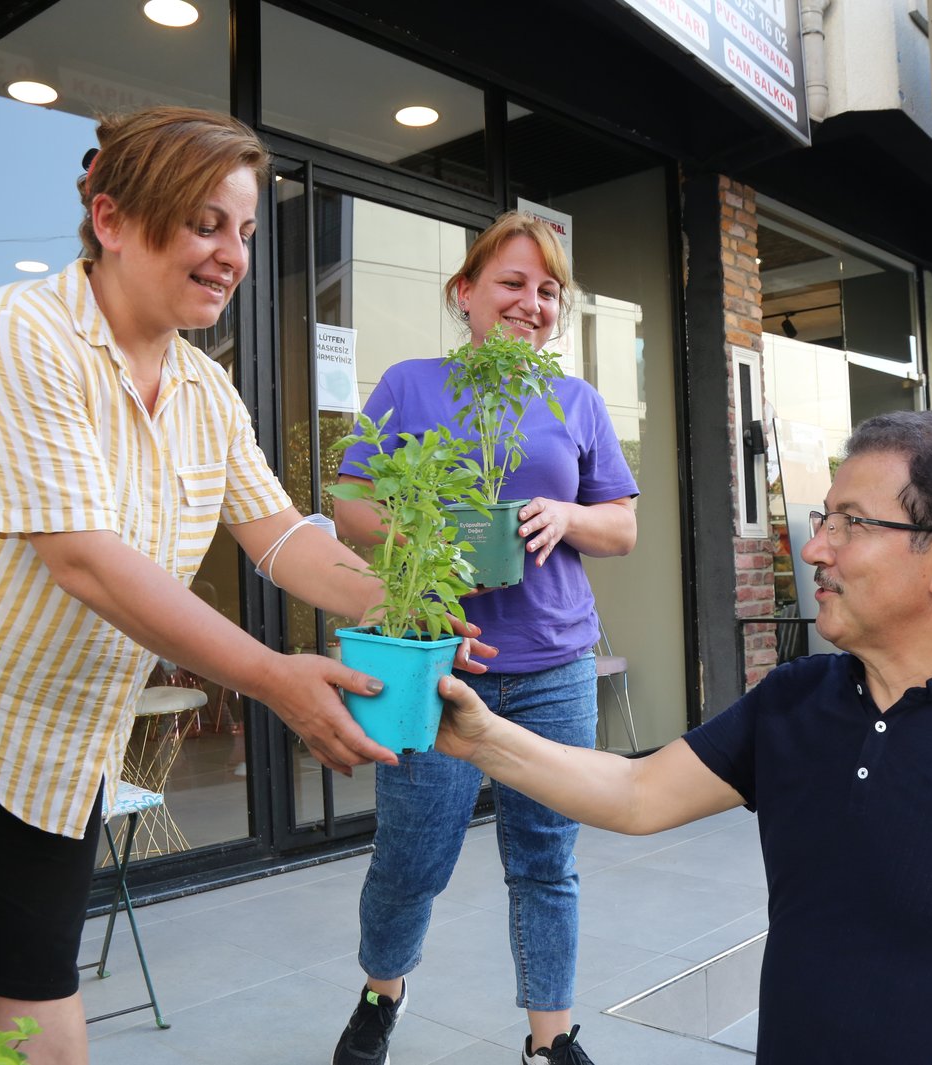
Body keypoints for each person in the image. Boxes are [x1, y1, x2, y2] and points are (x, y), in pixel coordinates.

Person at [0, 108, 490, 1065]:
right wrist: (273, 674)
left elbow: (281, 536)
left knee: (34, 977)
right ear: (111, 219)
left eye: (243, 231)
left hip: (54, 727)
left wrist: (397, 607)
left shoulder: (206, 390)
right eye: (205, 222)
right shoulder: (21, 332)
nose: (232, 253)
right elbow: (81, 556)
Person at [432, 409, 932, 1065]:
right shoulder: (795, 701)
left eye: (851, 523)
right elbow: (637, 792)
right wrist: (481, 737)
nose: (816, 548)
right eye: (824, 518)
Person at [329, 211, 638, 1065]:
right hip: (429, 658)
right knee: (410, 858)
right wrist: (421, 533)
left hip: (554, 663)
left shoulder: (575, 400)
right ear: (464, 293)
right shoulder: (410, 383)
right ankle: (379, 995)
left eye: (548, 291)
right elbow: (350, 501)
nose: (532, 303)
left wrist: (569, 512)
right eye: (512, 282)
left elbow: (621, 527)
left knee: (546, 857)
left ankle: (551, 1037)